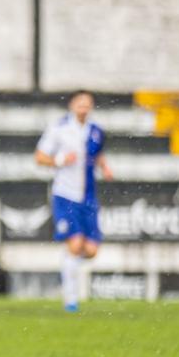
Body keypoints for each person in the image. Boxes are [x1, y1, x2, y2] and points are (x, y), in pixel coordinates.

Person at [34, 90, 112, 312]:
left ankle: (68, 265)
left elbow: (97, 154)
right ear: (72, 105)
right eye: (80, 104)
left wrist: (104, 166)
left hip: (88, 195)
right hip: (65, 194)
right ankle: (71, 299)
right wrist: (59, 159)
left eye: (88, 105)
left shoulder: (96, 131)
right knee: (76, 244)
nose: (84, 109)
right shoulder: (59, 129)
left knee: (91, 250)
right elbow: (39, 157)